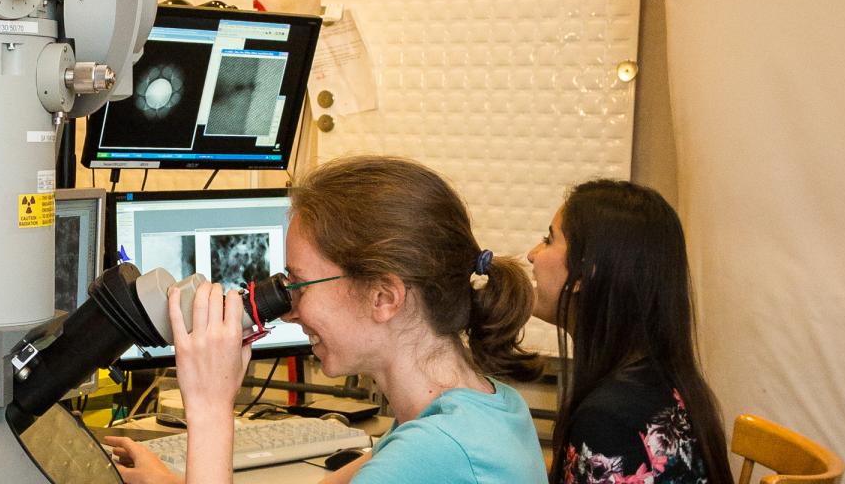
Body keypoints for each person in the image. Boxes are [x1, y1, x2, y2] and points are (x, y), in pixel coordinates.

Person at [106, 156, 546, 484]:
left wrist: (208, 408)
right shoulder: (483, 409)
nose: (291, 309)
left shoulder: (433, 453)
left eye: (299, 283)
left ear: (383, 296)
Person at [528, 180, 734, 484]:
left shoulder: (608, 422)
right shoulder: (660, 382)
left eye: (549, 239)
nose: (532, 254)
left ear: (587, 269)